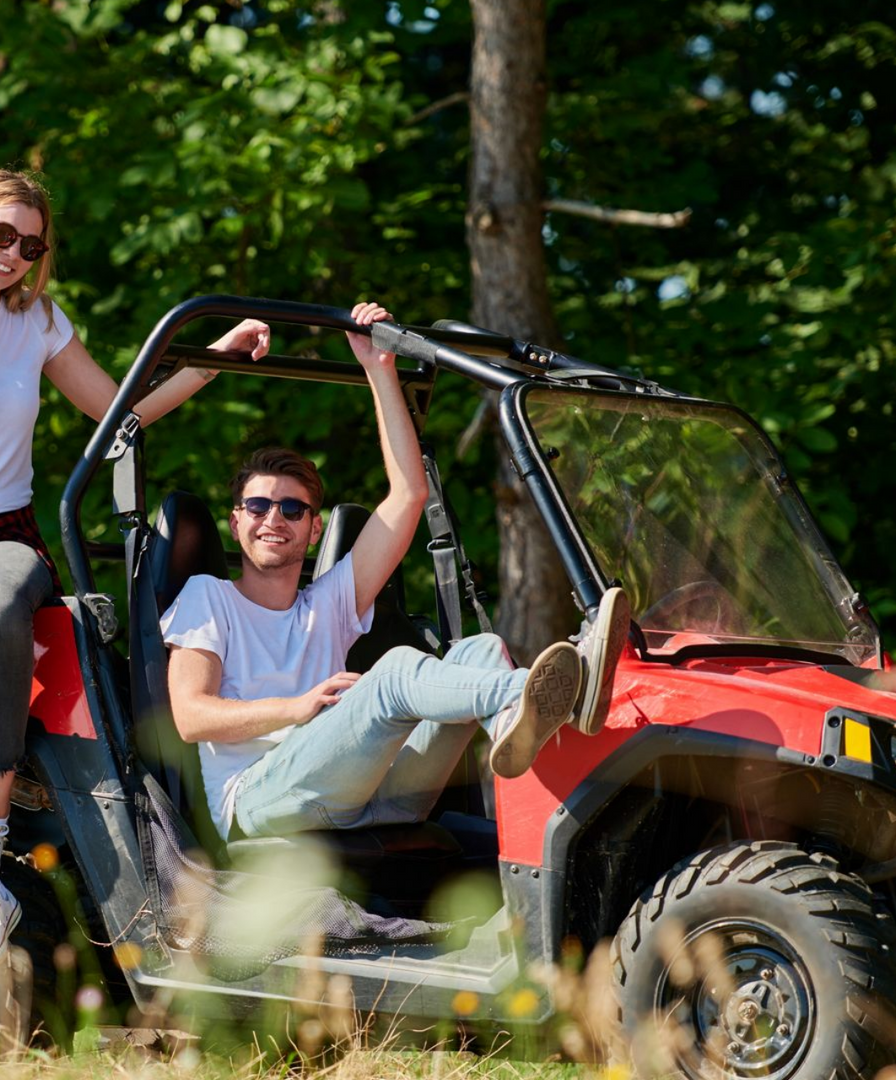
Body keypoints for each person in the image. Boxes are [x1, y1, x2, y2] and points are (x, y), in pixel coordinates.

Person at [0, 169, 270, 975]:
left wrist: (210, 361)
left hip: (0, 534)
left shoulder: (35, 320)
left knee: (6, 603)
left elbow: (119, 413)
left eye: (30, 244)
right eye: (0, 234)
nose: (13, 255)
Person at [161, 302, 631, 844]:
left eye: (292, 510)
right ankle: (533, 695)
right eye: (259, 505)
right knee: (396, 672)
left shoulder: (328, 604)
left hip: (372, 793)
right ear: (235, 520)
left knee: (482, 648)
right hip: (258, 800)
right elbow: (191, 717)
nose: (274, 519)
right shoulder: (208, 597)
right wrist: (298, 707)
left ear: (313, 530)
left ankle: (525, 727)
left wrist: (379, 367)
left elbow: (409, 496)